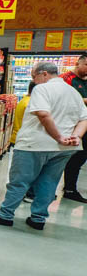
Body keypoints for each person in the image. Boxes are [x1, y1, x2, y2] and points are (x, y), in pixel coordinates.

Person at [0, 61, 87, 230]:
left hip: (35, 144)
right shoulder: (73, 92)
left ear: (44, 74)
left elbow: (43, 114)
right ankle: (38, 218)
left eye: (34, 76)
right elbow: (84, 119)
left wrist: (57, 137)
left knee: (19, 181)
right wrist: (76, 137)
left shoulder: (42, 89)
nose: (34, 81)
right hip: (64, 148)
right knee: (49, 182)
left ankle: (5, 215)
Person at [60, 54, 87, 202]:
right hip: (71, 126)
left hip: (84, 126)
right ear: (78, 64)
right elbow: (63, 99)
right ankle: (68, 188)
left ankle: (70, 188)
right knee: (67, 157)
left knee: (80, 158)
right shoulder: (66, 79)